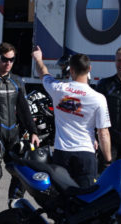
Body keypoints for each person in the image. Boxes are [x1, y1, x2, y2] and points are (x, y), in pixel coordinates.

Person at [32, 46, 112, 187]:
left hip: (62, 154)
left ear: (71, 70)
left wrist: (38, 58)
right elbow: (103, 133)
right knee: (86, 199)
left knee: (62, 199)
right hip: (86, 155)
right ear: (89, 69)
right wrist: (108, 160)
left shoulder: (58, 88)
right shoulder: (98, 98)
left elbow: (43, 73)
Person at [0, 42, 41, 216]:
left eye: (12, 60)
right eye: (5, 59)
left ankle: (14, 210)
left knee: (20, 174)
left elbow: (23, 109)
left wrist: (33, 131)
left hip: (13, 135)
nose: (8, 63)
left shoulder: (18, 81)